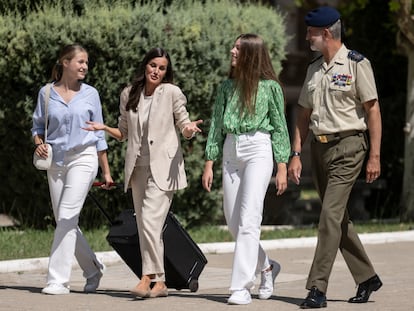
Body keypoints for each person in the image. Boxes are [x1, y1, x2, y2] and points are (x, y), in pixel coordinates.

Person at [84, 47, 203, 299]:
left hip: (164, 168)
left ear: (166, 72)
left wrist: (190, 129)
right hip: (137, 168)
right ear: (145, 66)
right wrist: (104, 127)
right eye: (153, 66)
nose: (156, 71)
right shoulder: (129, 93)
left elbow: (183, 123)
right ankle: (160, 284)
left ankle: (146, 277)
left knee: (149, 220)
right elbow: (123, 132)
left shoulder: (171, 92)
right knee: (147, 225)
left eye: (162, 68)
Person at [287, 6, 383, 309]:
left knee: (328, 215)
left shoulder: (357, 64)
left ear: (325, 33)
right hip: (320, 149)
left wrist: (375, 156)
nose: (306, 37)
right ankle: (367, 277)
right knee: (338, 218)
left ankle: (317, 288)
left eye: (310, 33)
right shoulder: (314, 68)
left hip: (350, 146)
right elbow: (304, 113)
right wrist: (296, 153)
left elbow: (373, 111)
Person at [201, 33, 290, 305]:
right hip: (230, 150)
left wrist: (282, 165)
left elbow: (279, 127)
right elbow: (216, 124)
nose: (232, 51)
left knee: (250, 219)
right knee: (232, 221)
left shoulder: (270, 87)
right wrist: (209, 162)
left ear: (251, 53)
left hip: (258, 149)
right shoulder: (226, 87)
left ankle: (241, 287)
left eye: (238, 48)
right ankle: (266, 267)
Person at [32, 44, 113, 295]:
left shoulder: (91, 94)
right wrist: (39, 145)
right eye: (80, 61)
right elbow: (37, 128)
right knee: (65, 220)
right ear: (64, 62)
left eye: (86, 62)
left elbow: (99, 135)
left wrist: (106, 171)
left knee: (67, 215)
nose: (84, 66)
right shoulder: (46, 93)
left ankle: (57, 280)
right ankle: (93, 269)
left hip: (84, 157)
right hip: (55, 161)